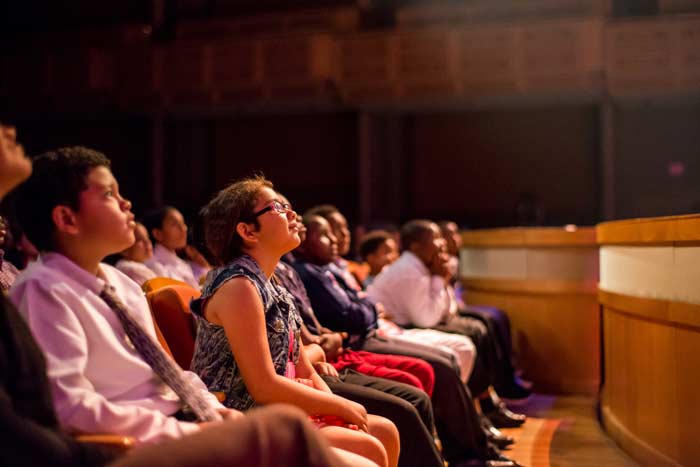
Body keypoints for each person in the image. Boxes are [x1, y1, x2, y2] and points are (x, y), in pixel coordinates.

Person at [0, 127, 354, 467]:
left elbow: (168, 373)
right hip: (133, 444)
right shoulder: (45, 290)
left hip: (179, 417)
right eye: (109, 194)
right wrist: (185, 431)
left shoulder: (118, 284)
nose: (126, 203)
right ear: (67, 218)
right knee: (287, 432)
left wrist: (212, 410)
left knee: (343, 444)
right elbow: (71, 409)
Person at [191, 176, 400, 467]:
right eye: (276, 207)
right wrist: (340, 405)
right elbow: (262, 385)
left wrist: (336, 411)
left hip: (279, 410)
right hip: (243, 417)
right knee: (369, 447)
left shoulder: (273, 285)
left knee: (385, 431)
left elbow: (303, 366)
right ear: (248, 231)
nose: (291, 213)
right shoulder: (238, 286)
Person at [294, 214, 518, 466]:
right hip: (350, 347)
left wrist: (359, 315)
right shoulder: (300, 274)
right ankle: (469, 450)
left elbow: (360, 309)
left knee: (455, 352)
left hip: (360, 338)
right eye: (327, 233)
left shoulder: (319, 270)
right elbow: (354, 317)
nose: (336, 238)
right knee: (433, 375)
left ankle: (475, 437)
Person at [367, 220, 530, 425]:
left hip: (416, 320)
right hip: (400, 327)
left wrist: (440, 279)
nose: (441, 243)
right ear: (416, 246)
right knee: (472, 333)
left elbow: (445, 310)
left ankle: (487, 404)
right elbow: (427, 319)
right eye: (434, 239)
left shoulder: (422, 264)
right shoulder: (409, 270)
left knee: (480, 327)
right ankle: (481, 409)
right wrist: (439, 280)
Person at [142, 206, 203, 288]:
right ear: (158, 234)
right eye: (175, 224)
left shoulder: (183, 265)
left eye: (183, 223)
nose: (183, 228)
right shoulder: (151, 265)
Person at [114, 222, 157, 286]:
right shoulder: (131, 269)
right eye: (139, 239)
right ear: (124, 249)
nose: (147, 242)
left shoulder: (142, 265)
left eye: (147, 237)